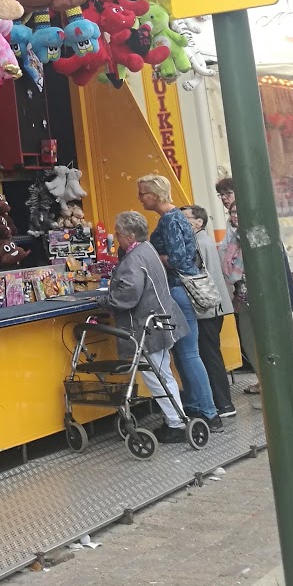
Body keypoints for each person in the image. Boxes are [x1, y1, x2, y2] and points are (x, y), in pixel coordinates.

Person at [137, 174, 222, 429]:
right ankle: (198, 405)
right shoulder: (174, 218)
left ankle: (208, 411)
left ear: (155, 195)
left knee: (188, 353)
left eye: (142, 193)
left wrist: (152, 256)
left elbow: (178, 260)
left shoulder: (171, 220)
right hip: (180, 291)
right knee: (186, 353)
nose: (139, 198)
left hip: (177, 290)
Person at [104, 211, 189, 442]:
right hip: (158, 321)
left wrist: (105, 301)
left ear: (130, 236)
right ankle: (176, 419)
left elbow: (128, 296)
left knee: (156, 376)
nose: (116, 236)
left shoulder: (134, 260)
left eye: (118, 233)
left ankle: (175, 423)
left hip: (146, 327)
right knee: (163, 374)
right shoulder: (147, 249)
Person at [216, 174, 293, 394]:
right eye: (221, 195)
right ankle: (265, 379)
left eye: (228, 193)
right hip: (244, 295)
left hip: (262, 295)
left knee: (265, 339)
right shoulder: (233, 230)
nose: (225, 199)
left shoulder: (256, 227)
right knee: (249, 339)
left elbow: (264, 260)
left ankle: (273, 381)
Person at [182, 204, 237, 418]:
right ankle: (222, 402)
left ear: (199, 222)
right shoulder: (205, 240)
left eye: (185, 218)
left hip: (207, 308)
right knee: (211, 353)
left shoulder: (196, 242)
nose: (181, 222)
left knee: (209, 354)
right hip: (216, 306)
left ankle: (223, 403)